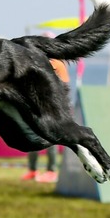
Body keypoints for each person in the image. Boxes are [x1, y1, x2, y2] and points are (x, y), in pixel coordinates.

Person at [22, 38, 70, 184]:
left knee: (50, 140)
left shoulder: (56, 63)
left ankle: (51, 171)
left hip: (51, 108)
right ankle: (33, 170)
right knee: (33, 138)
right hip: (37, 106)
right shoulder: (36, 61)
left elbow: (64, 88)